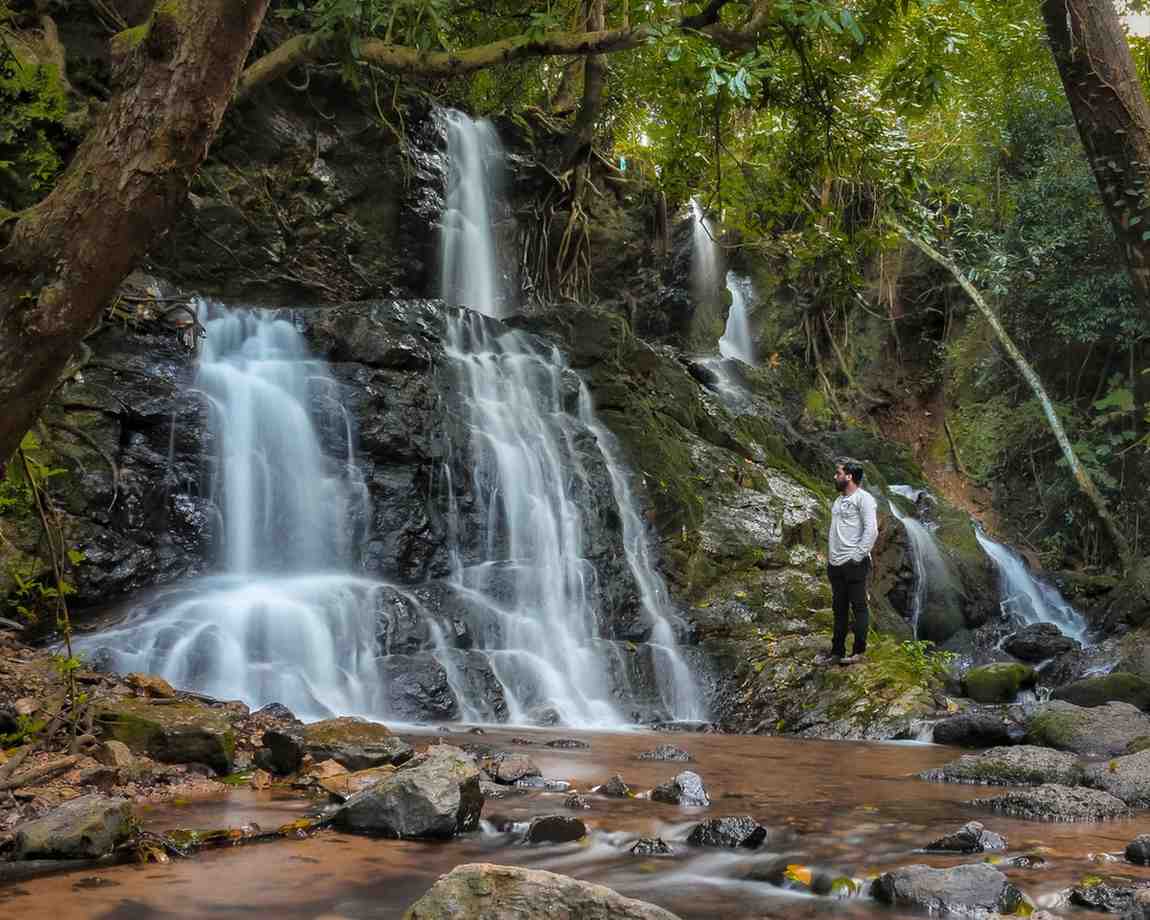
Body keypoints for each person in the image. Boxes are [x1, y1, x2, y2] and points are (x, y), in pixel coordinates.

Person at [822, 458, 878, 665]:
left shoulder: (864, 499)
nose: (835, 477)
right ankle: (837, 651)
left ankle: (859, 652)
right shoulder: (838, 501)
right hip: (835, 564)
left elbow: (871, 530)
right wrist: (832, 558)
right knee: (839, 608)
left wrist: (857, 556)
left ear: (849, 476)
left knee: (859, 607)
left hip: (854, 563)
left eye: (838, 473)